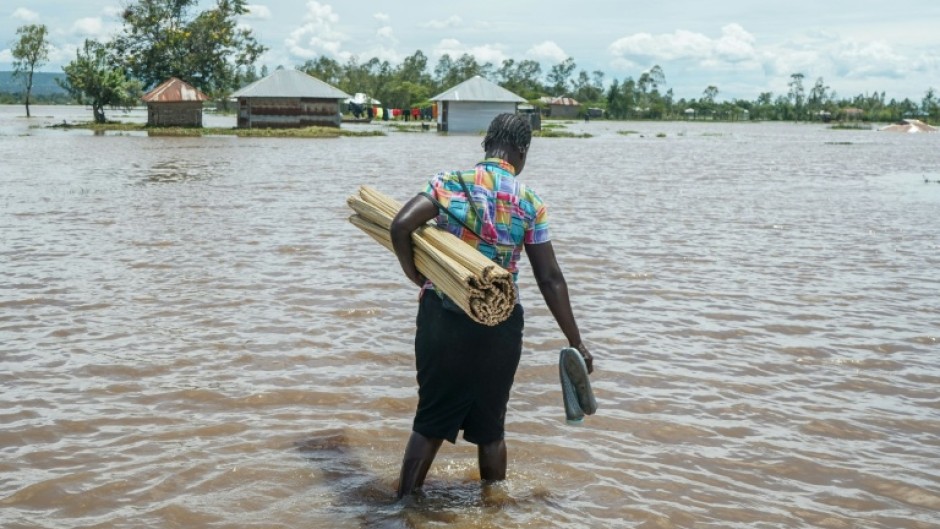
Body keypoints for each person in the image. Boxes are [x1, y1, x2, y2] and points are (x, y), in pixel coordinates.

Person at [389, 113, 594, 499]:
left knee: (430, 420)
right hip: (499, 323)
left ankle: (401, 508)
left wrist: (415, 274)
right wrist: (576, 341)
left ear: (487, 143)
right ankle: (493, 509)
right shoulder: (529, 202)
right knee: (492, 428)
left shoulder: (449, 184)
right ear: (522, 150)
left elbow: (400, 225)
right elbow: (549, 278)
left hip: (444, 315)